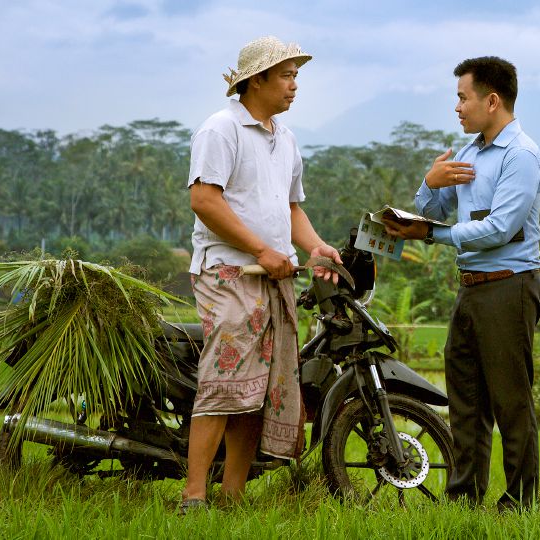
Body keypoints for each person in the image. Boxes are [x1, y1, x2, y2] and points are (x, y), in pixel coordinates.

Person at [180, 36, 340, 512]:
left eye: (296, 77)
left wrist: (315, 247)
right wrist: (262, 250)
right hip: (228, 271)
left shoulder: (284, 137)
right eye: (286, 76)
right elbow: (204, 200)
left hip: (272, 274)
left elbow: (290, 208)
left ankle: (232, 496)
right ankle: (193, 497)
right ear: (256, 80)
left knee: (259, 387)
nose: (294, 86)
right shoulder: (221, 129)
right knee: (224, 380)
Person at [382, 56, 540, 512]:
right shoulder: (469, 153)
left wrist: (430, 235)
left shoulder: (521, 156)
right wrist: (429, 184)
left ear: (491, 101)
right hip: (470, 287)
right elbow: (431, 209)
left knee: (511, 401)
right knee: (466, 398)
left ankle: (519, 504)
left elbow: (498, 228)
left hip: (509, 286)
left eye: (462, 97)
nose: (457, 107)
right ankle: (464, 499)